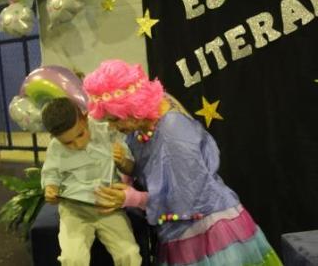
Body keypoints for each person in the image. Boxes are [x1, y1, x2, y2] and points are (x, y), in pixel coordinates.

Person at [83, 59, 283, 266]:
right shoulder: (149, 117)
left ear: (132, 108)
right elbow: (156, 169)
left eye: (114, 119)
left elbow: (186, 196)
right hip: (181, 231)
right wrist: (127, 167)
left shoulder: (173, 133)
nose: (113, 127)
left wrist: (132, 198)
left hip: (207, 232)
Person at [40, 97, 142, 266]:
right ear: (55, 138)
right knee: (72, 259)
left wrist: (123, 161)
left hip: (108, 207)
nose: (78, 144)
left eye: (80, 134)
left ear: (85, 118)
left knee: (129, 254)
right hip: (75, 212)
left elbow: (131, 169)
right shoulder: (55, 147)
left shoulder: (107, 133)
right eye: (68, 143)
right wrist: (51, 188)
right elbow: (51, 174)